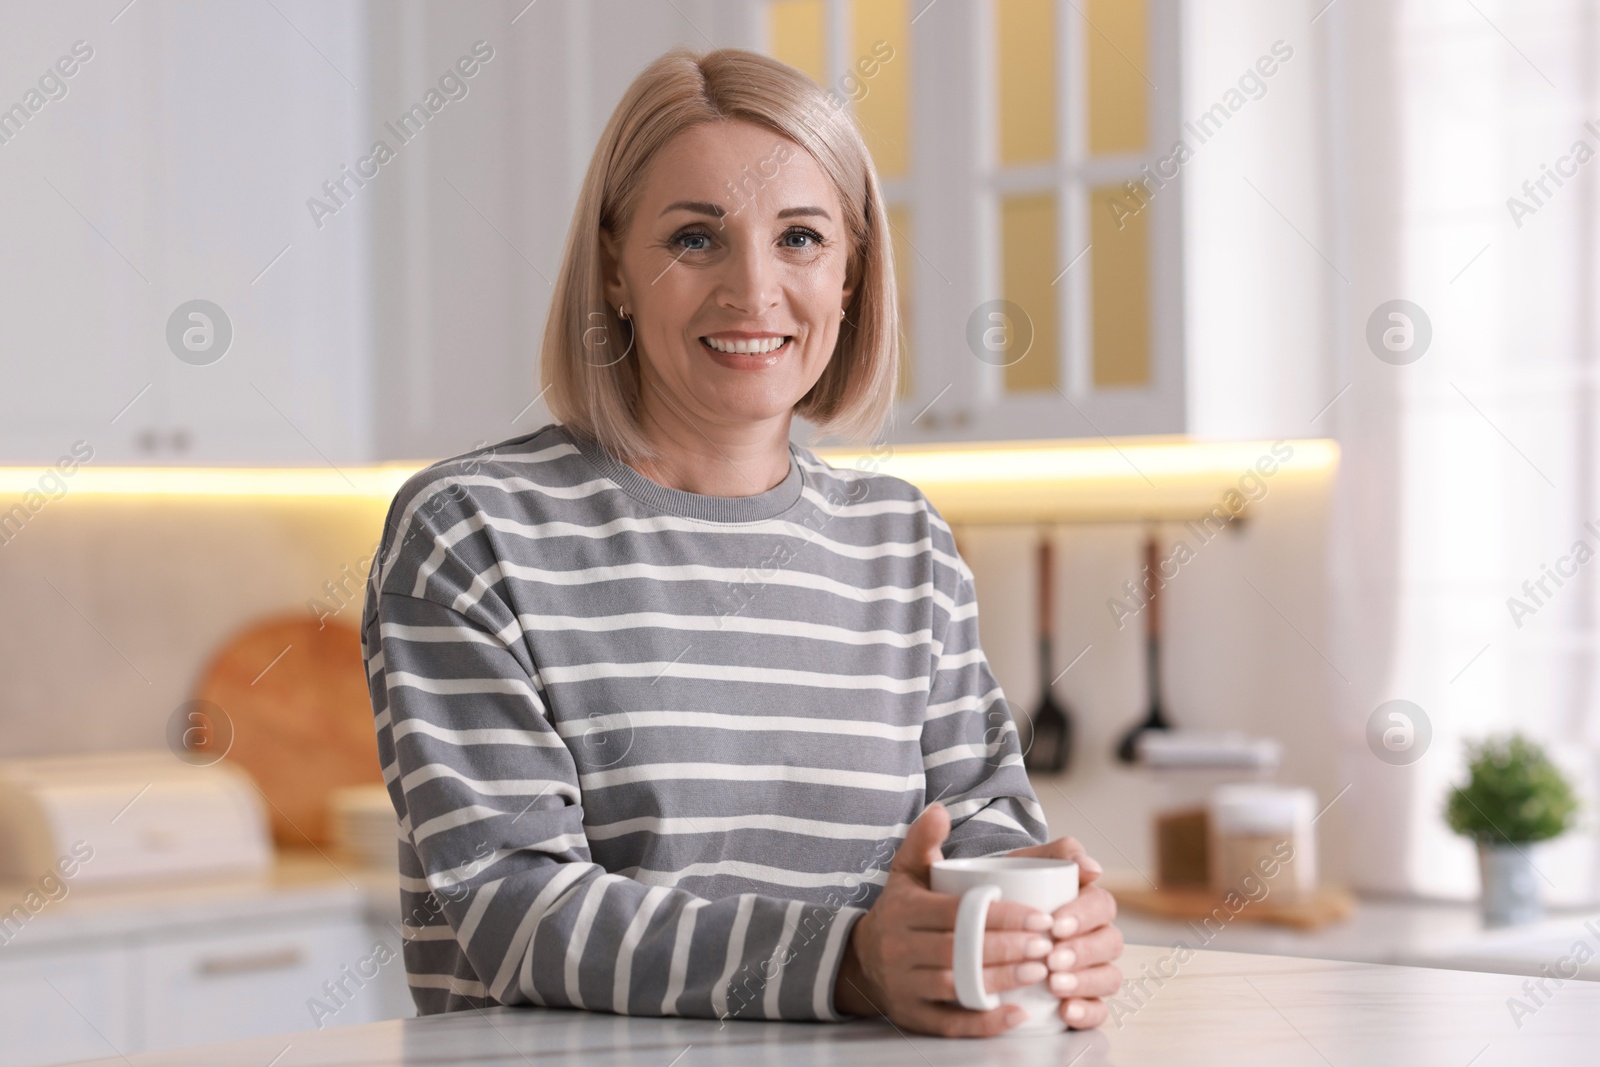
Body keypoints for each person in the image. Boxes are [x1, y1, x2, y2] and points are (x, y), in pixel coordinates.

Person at [362, 46, 1122, 1038]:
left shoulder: (906, 542)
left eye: (800, 236)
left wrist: (1046, 916)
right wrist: (847, 961)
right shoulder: (471, 531)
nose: (752, 289)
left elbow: (984, 820)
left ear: (850, 274)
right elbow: (515, 908)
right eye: (694, 239)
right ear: (614, 272)